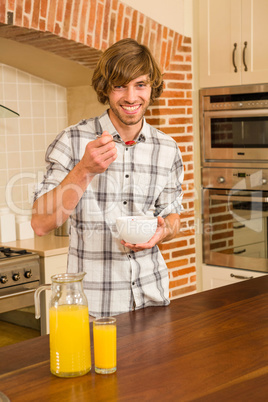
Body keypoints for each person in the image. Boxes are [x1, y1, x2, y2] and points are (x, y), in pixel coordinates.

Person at [31, 38, 184, 317]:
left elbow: (173, 217)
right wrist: (84, 170)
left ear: (152, 88)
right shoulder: (73, 141)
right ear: (105, 88)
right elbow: (41, 224)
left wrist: (163, 231)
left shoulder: (167, 148)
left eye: (140, 85)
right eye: (119, 86)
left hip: (153, 299)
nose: (130, 97)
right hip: (96, 309)